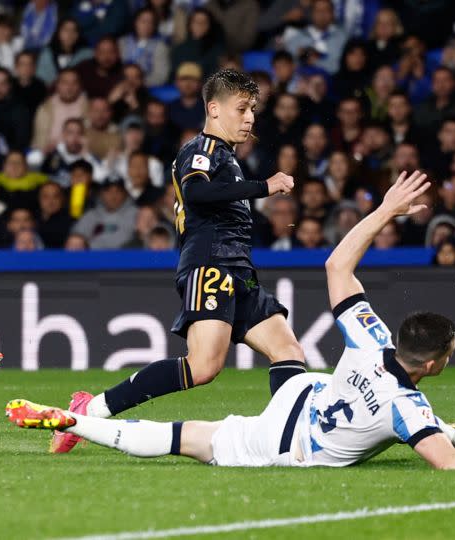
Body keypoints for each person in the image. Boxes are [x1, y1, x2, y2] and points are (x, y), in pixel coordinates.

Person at [5, 173, 455, 470]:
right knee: (179, 440)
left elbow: (337, 264)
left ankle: (77, 416)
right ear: (432, 363)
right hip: (283, 440)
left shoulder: (371, 336)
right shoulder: (409, 407)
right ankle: (73, 419)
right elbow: (446, 463)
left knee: (286, 353)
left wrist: (384, 211)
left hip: (307, 394)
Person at [46, 70, 307, 456]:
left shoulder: (228, 159)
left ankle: (290, 440)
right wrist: (264, 187)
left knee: (289, 352)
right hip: (211, 265)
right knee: (202, 367)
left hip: (240, 270)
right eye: (242, 108)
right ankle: (92, 409)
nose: (250, 117)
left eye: (252, 109)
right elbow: (197, 191)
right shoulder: (200, 149)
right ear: (214, 109)